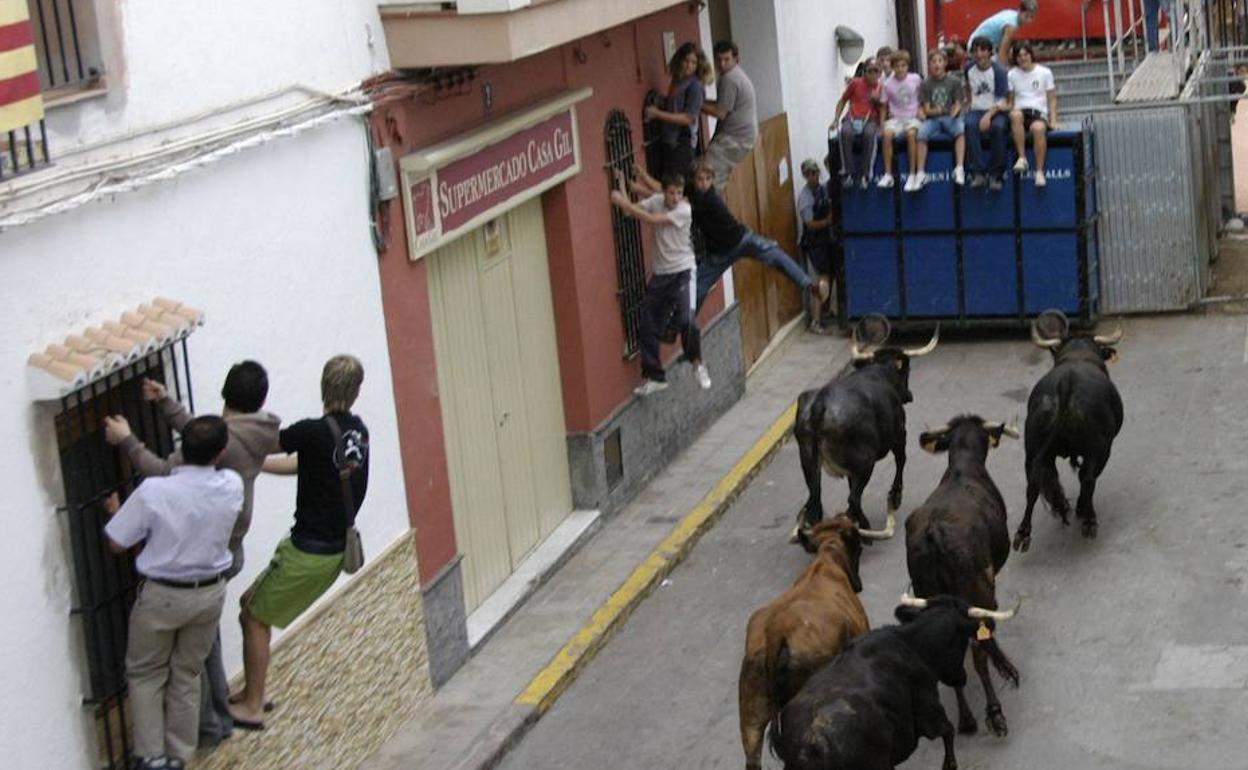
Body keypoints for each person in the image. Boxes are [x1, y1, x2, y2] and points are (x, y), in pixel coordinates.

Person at [103, 362, 280, 748]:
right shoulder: (257, 432)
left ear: (224, 395)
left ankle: (212, 724)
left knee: (189, 661)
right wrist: (167, 403)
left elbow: (160, 469)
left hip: (187, 573)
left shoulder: (215, 453)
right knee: (199, 651)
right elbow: (203, 434)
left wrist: (128, 440)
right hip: (222, 557)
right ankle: (201, 731)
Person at [228, 355, 370, 730]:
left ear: (323, 386)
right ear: (356, 392)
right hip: (333, 551)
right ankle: (251, 693)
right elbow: (308, 464)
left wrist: (225, 428)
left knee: (254, 618)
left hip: (309, 552)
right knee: (249, 607)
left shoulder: (311, 431)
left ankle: (254, 705)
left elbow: (263, 442)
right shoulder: (355, 433)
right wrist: (256, 468)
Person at [104, 416, 242, 770]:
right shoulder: (232, 485)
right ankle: (180, 754)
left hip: (163, 596)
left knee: (146, 673)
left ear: (181, 448)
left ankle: (151, 757)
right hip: (210, 593)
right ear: (222, 452)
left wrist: (119, 513)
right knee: (188, 672)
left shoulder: (153, 491)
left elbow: (116, 542)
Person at [631, 160, 828, 317]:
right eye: (701, 179)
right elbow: (666, 192)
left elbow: (669, 197)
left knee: (777, 256)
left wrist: (638, 188)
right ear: (694, 179)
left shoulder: (707, 199)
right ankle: (677, 328)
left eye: (708, 179)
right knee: (697, 289)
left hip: (742, 240)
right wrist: (643, 179)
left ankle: (809, 285)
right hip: (720, 253)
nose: (704, 183)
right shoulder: (690, 192)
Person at [610, 171, 711, 396]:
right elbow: (629, 211)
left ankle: (697, 364)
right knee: (647, 326)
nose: (676, 198)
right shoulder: (656, 201)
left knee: (687, 320)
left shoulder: (684, 210)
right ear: (664, 192)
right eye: (672, 193)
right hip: (661, 275)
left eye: (679, 193)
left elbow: (650, 220)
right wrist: (621, 185)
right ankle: (655, 377)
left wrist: (621, 199)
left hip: (683, 271)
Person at [646, 42, 711, 180]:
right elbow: (675, 105)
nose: (689, 66)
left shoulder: (695, 86)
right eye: (686, 61)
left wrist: (657, 114)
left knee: (676, 184)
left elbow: (688, 118)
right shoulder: (678, 80)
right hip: (670, 140)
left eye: (693, 62)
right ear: (680, 60)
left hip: (682, 142)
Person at [701, 40, 758, 191]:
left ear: (735, 58)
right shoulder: (735, 75)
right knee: (715, 176)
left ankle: (708, 208)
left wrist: (697, 104)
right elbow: (722, 105)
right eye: (719, 59)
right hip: (742, 138)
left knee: (707, 175)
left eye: (727, 59)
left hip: (735, 138)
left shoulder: (730, 78)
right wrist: (703, 102)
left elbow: (720, 113)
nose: (722, 63)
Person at [910, 49, 967, 192]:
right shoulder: (926, 84)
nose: (937, 64)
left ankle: (959, 168)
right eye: (933, 62)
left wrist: (955, 111)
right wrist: (937, 111)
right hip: (933, 118)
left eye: (940, 61)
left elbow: (958, 102)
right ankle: (921, 172)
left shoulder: (954, 81)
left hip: (950, 117)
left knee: (960, 130)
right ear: (929, 65)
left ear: (945, 63)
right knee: (921, 134)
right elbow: (927, 109)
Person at [963, 35, 1011, 191]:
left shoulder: (999, 71)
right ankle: (978, 172)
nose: (979, 54)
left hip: (996, 110)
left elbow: (1003, 101)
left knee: (998, 127)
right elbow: (967, 88)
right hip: (976, 109)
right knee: (969, 125)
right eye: (975, 51)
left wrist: (989, 115)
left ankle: (996, 173)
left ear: (990, 52)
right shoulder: (968, 69)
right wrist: (968, 103)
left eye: (983, 50)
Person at [1008, 42, 1058, 188]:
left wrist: (1053, 119)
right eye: (1019, 56)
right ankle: (1022, 158)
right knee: (1015, 115)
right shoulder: (1011, 74)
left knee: (1038, 129)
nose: (1023, 58)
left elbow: (1052, 98)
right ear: (1016, 59)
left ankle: (1039, 172)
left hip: (1038, 113)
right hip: (1020, 111)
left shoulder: (1045, 72)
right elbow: (1011, 100)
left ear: (1031, 55)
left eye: (1025, 54)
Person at [798, 158, 838, 331]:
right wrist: (827, 221)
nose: (812, 176)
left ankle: (825, 313)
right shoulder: (805, 197)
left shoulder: (823, 189)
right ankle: (815, 320)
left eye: (814, 173)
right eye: (808, 174)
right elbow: (809, 223)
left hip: (826, 241)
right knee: (821, 281)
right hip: (814, 244)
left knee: (830, 277)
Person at [831, 58, 883, 189]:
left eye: (876, 71)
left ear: (880, 73)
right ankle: (848, 172)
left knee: (869, 135)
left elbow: (883, 108)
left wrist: (878, 102)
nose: (872, 75)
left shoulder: (882, 87)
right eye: (870, 71)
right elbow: (842, 101)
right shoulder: (855, 83)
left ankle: (866, 174)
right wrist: (836, 119)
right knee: (845, 132)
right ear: (864, 72)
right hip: (852, 117)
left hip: (871, 119)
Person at [878, 49, 923, 189]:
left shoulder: (915, 78)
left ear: (907, 66)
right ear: (892, 67)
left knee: (911, 135)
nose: (900, 69)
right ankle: (888, 174)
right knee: (886, 135)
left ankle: (912, 174)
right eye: (897, 66)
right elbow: (884, 106)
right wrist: (882, 124)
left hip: (913, 117)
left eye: (903, 65)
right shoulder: (887, 84)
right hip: (896, 118)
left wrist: (922, 111)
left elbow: (922, 97)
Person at [970, 0, 1039, 63]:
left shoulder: (1011, 13)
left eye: (1032, 17)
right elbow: (1002, 54)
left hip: (981, 44)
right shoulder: (1011, 26)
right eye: (1026, 16)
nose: (1028, 20)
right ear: (1020, 11)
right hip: (976, 48)